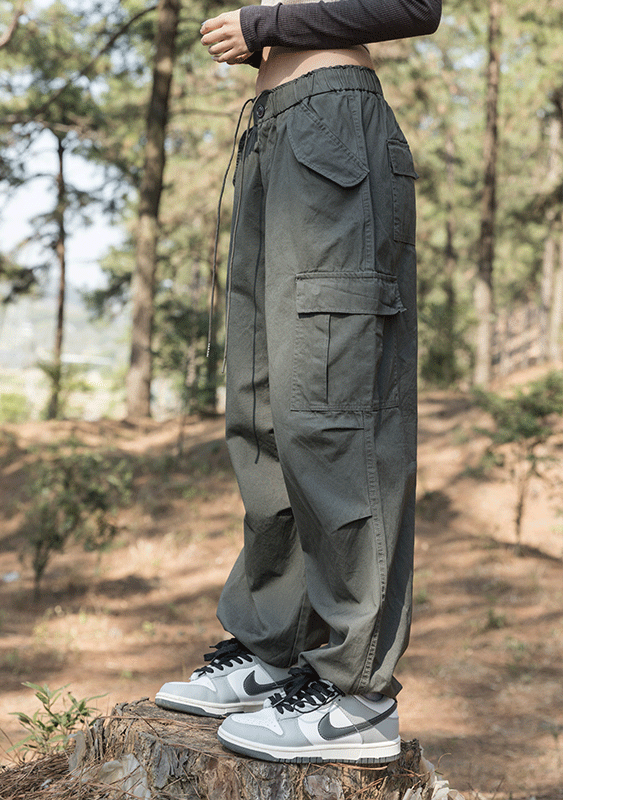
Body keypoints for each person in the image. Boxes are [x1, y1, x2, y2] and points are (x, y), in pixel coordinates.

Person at [155, 0, 441, 765]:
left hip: (332, 128)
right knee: (263, 409)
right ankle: (275, 646)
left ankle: (358, 695)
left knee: (332, 407)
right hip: (273, 131)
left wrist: (265, 24)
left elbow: (415, 6)